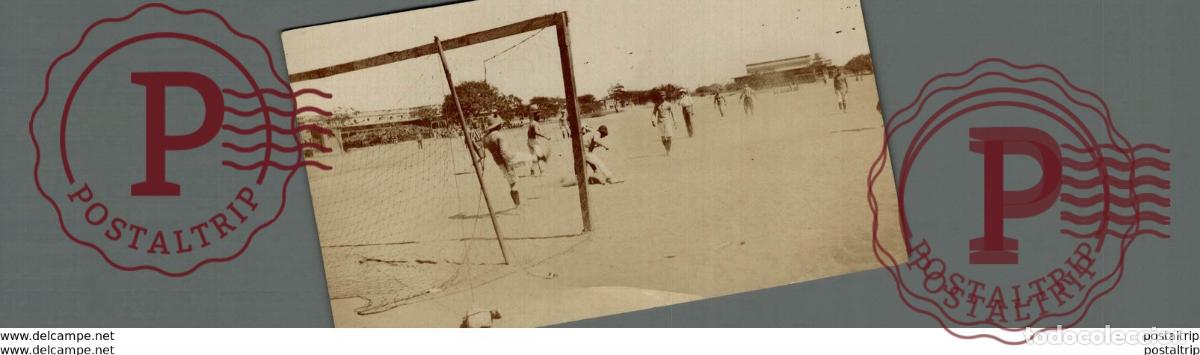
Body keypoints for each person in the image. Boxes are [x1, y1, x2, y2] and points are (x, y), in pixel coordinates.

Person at [479, 116, 521, 206]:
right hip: (506, 161)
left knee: (511, 182)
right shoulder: (499, 135)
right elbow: (503, 152)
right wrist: (509, 164)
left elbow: (484, 148)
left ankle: (517, 204)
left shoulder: (485, 138)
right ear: (497, 125)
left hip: (498, 162)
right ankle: (517, 205)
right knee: (515, 183)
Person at [650, 91, 678, 155]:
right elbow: (654, 113)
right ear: (659, 96)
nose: (662, 96)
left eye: (663, 95)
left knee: (669, 136)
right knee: (663, 138)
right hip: (660, 122)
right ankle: (667, 149)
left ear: (665, 96)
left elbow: (673, 113)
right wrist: (653, 120)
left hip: (667, 121)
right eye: (661, 95)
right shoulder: (657, 104)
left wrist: (675, 121)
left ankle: (668, 150)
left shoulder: (668, 104)